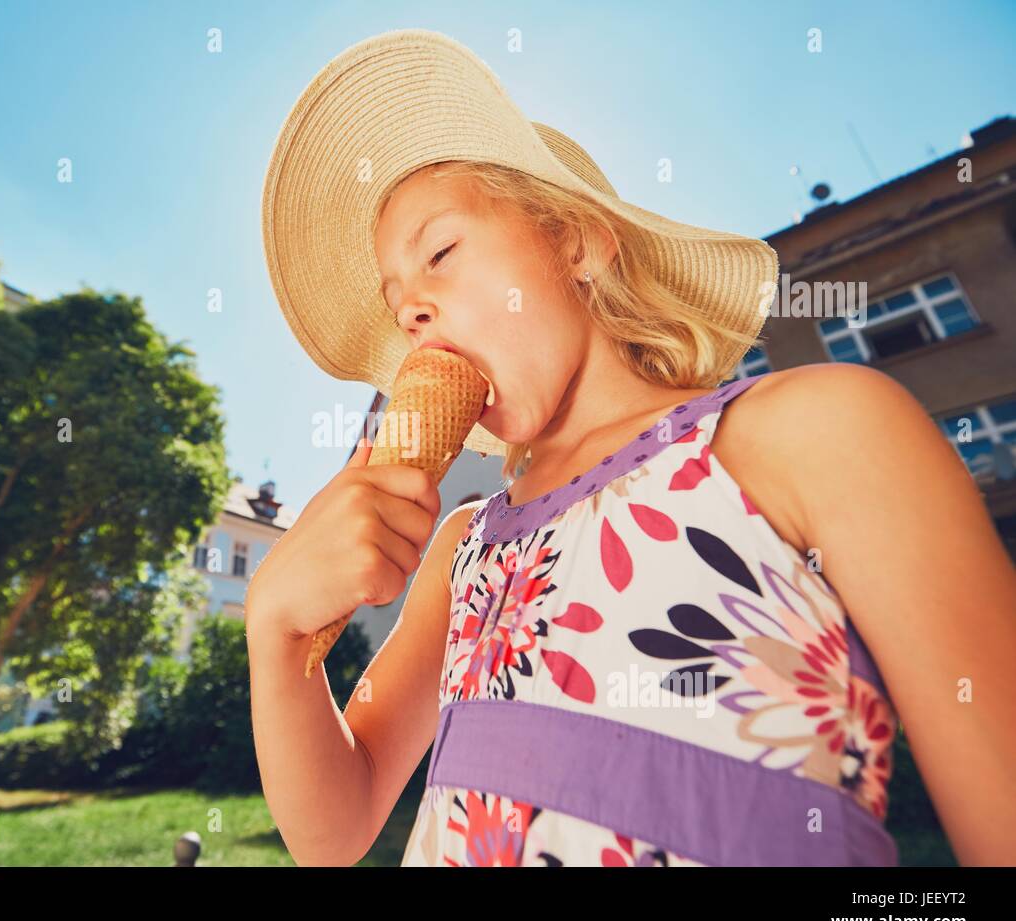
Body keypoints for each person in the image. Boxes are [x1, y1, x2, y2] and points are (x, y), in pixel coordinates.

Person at [246, 29, 1016, 866]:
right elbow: (334, 830)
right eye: (397, 300)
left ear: (576, 242)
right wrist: (277, 634)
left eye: (440, 252)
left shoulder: (811, 432)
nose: (411, 312)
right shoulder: (464, 553)